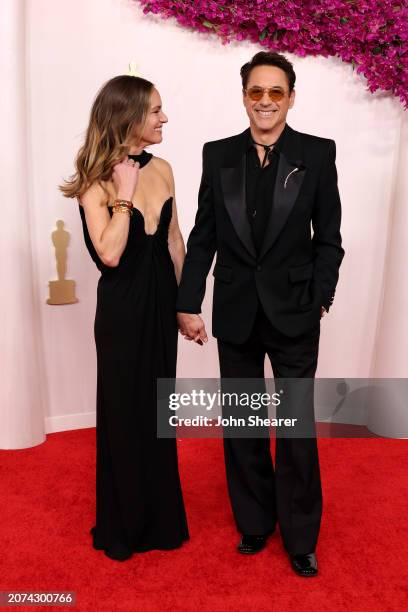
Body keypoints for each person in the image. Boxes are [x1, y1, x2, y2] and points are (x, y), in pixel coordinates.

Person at [176, 52, 344, 577]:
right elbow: (203, 236)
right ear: (244, 96)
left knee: (294, 428)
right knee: (244, 423)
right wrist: (187, 301)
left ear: (291, 98)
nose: (265, 101)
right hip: (236, 309)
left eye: (276, 92)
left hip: (295, 312)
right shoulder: (218, 154)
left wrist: (320, 296)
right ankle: (253, 522)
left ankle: (300, 534)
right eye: (256, 91)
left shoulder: (317, 154)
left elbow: (330, 241)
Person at [60, 75, 189, 561]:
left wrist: (187, 306)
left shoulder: (167, 168)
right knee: (123, 413)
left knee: (159, 414)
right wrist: (126, 192)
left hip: (160, 309)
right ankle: (125, 526)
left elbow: (176, 241)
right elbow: (110, 254)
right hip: (121, 313)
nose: (164, 118)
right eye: (156, 110)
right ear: (130, 116)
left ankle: (161, 522)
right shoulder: (94, 180)